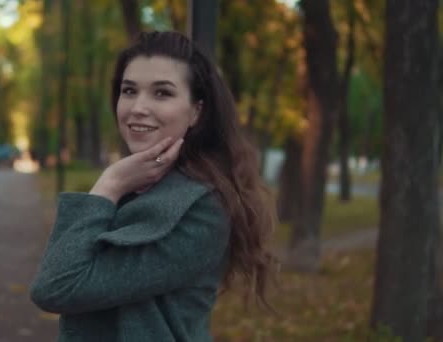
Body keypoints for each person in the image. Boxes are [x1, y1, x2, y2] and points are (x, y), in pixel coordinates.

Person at [30, 31, 277, 341]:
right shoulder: (140, 185)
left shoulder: (201, 209)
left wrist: (109, 184)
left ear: (197, 111)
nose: (138, 107)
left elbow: (56, 287)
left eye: (162, 93)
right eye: (129, 90)